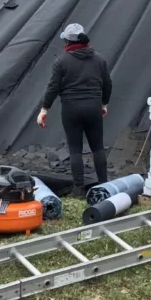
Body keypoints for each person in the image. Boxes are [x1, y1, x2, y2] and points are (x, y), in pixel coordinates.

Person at [38, 23, 112, 196]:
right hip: (93, 106)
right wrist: (104, 104)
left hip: (71, 108)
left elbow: (52, 87)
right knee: (98, 148)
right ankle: (104, 186)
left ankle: (78, 189)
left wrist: (44, 110)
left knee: (75, 149)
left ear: (67, 41)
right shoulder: (99, 59)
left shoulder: (61, 61)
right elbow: (108, 83)